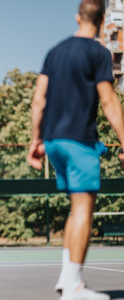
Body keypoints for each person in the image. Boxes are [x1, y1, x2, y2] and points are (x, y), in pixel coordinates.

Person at [27, 0, 124, 299]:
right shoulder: (98, 52)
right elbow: (108, 101)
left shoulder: (55, 52)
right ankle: (74, 288)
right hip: (79, 140)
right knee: (84, 209)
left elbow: (39, 99)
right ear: (102, 18)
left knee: (76, 207)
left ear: (77, 16)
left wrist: (36, 140)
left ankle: (66, 277)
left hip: (54, 142)